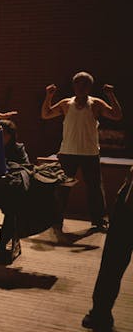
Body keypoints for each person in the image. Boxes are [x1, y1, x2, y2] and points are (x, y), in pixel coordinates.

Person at [41, 72, 122, 232]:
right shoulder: (66, 103)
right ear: (73, 86)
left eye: (84, 83)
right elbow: (46, 114)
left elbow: (117, 115)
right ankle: (56, 220)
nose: (81, 86)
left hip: (89, 153)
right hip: (67, 152)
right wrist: (48, 96)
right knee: (62, 187)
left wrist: (111, 95)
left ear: (89, 86)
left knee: (94, 189)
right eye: (78, 83)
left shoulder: (96, 103)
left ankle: (99, 221)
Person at [82, 166, 133, 332]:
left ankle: (100, 314)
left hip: (127, 210)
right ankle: (100, 313)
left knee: (112, 263)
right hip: (126, 205)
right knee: (112, 263)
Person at [0, 119, 31, 251]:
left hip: (9, 190)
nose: (1, 137)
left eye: (3, 134)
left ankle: (2, 243)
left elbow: (26, 167)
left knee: (12, 209)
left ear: (11, 135)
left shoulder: (17, 148)